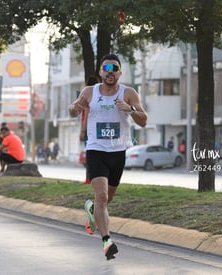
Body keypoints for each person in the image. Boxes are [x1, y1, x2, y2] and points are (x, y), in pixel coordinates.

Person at [68, 53, 147, 260]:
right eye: (106, 68)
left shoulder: (128, 93)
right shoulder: (89, 92)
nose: (110, 72)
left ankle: (92, 209)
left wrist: (129, 109)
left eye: (114, 68)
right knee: (102, 195)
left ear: (119, 72)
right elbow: (73, 109)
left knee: (107, 198)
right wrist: (74, 108)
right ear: (100, 72)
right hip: (96, 150)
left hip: (117, 152)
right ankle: (106, 241)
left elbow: (144, 121)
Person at [80, 75, 99, 184]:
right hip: (97, 128)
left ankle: (90, 179)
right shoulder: (99, 96)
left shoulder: (88, 96)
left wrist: (83, 131)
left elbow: (86, 114)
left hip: (88, 129)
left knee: (90, 156)